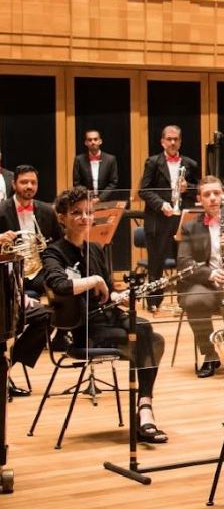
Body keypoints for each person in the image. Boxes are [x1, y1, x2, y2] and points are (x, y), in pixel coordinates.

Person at [43, 186, 168, 443]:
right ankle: (145, 412)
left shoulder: (96, 249)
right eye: (76, 213)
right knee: (147, 336)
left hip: (107, 319)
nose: (84, 218)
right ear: (62, 217)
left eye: (88, 212)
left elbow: (107, 292)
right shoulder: (53, 252)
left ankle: (144, 405)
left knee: (150, 335)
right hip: (83, 328)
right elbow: (59, 285)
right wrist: (95, 280)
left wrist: (117, 295)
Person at [176, 176, 224, 378]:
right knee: (194, 300)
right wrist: (211, 273)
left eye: (216, 193)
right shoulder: (190, 227)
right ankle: (210, 354)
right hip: (208, 284)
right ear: (199, 199)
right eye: (207, 194)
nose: (212, 198)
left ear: (223, 195)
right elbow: (184, 261)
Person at [137, 125, 200, 312]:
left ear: (180, 141)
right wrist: (160, 204)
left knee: (184, 262)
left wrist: (187, 187)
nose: (173, 142)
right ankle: (154, 303)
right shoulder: (153, 162)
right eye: (169, 139)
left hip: (181, 220)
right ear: (162, 141)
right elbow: (144, 190)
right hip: (159, 220)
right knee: (156, 263)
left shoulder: (190, 164)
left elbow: (199, 188)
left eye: (176, 139)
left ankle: (184, 302)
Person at [0, 165, 63, 296]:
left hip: (40, 271)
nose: (29, 186)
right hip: (11, 272)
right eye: (24, 182)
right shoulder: (1, 210)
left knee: (63, 287)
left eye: (33, 182)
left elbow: (60, 241)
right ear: (13, 184)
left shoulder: (47, 210)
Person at [71, 129, 120, 200]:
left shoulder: (110, 159)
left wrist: (100, 198)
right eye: (90, 140)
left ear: (100, 141)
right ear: (86, 143)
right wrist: (87, 196)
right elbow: (77, 183)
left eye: (95, 139)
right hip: (86, 200)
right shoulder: (79, 160)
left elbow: (113, 183)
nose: (93, 142)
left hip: (105, 201)